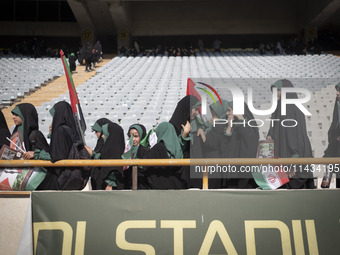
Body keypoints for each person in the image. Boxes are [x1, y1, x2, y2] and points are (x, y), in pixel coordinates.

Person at [267, 79, 315, 189]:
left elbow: (296, 139)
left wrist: (293, 165)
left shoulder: (291, 109)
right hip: (284, 164)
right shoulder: (279, 109)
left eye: (277, 91)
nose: (275, 95)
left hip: (293, 167)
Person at [37, 101, 81, 190]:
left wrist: (36, 154)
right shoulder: (70, 129)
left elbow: (56, 156)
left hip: (59, 177)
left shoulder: (60, 131)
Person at [135, 122, 190, 189]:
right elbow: (180, 142)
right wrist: (185, 134)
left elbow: (144, 162)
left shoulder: (158, 148)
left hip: (161, 189)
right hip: (178, 186)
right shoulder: (177, 148)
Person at [224, 101, 259, 188]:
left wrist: (242, 120)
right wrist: (229, 127)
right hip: (231, 168)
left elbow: (250, 140)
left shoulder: (250, 124)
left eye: (229, 110)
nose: (227, 113)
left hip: (244, 169)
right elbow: (224, 142)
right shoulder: (230, 123)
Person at [85, 118, 125, 190]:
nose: (102, 136)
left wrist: (110, 184)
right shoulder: (108, 150)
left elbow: (112, 169)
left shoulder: (114, 154)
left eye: (103, 133)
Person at [323, 82, 340, 187]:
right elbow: (335, 124)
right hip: (335, 146)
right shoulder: (337, 104)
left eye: (339, 91)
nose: (337, 93)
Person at [122, 123, 148, 189]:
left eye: (136, 136)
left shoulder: (146, 151)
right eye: (131, 136)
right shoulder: (125, 149)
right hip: (127, 184)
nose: (133, 139)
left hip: (141, 185)